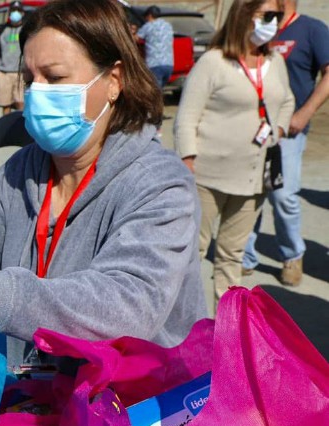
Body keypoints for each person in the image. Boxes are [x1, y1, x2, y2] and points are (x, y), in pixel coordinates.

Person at [0, 0, 206, 368]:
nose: (37, 93)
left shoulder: (160, 184)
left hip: (135, 407)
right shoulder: (16, 174)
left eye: (55, 78)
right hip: (37, 401)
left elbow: (127, 308)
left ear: (113, 81)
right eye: (30, 80)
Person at [174, 0, 294, 311]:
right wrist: (188, 164)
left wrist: (278, 131)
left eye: (278, 16)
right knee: (192, 254)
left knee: (231, 259)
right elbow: (186, 117)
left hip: (253, 180)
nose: (274, 23)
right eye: (267, 15)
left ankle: (225, 335)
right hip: (206, 177)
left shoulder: (275, 62)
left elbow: (287, 102)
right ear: (244, 15)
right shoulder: (214, 62)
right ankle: (181, 326)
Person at [243, 0, 329, 287]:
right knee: (250, 190)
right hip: (254, 126)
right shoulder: (260, 25)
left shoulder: (311, 29)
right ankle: (244, 255)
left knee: (282, 194)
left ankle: (292, 254)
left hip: (290, 128)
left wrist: (305, 113)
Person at [0, 1, 26, 116]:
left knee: (21, 104)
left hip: (20, 73)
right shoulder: (2, 30)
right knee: (5, 104)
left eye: (18, 11)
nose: (15, 13)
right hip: (4, 73)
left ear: (22, 13)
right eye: (13, 11)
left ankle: (21, 131)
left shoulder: (26, 29)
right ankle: (6, 129)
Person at [136, 6, 174, 88]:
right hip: (169, 65)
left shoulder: (148, 26)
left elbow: (136, 38)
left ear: (149, 15)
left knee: (155, 93)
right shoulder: (167, 25)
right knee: (160, 91)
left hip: (154, 64)